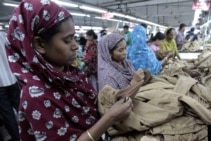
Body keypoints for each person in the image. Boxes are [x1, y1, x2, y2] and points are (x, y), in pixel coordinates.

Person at [5, 0, 132, 140]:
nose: (76, 46)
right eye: (67, 40)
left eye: (74, 38)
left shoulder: (70, 74)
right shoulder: (35, 96)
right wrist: (110, 117)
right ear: (40, 44)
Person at [0, 31, 20, 141]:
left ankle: (17, 139)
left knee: (8, 115)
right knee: (21, 110)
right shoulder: (4, 35)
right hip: (12, 79)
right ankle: (30, 133)